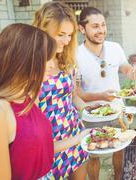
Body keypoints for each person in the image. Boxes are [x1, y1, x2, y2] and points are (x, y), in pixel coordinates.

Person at [76, 7, 136, 180]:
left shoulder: (115, 47)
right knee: (93, 154)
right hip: (91, 114)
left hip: (117, 110)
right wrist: (101, 96)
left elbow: (124, 67)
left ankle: (118, 177)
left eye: (103, 25)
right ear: (82, 29)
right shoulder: (75, 55)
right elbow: (77, 93)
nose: (101, 30)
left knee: (119, 148)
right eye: (95, 26)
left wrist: (132, 71)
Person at [0, 23, 56, 179]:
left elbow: (36, 150)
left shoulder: (28, 97)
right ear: (25, 60)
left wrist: (81, 138)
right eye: (48, 59)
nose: (52, 65)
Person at [33, 2, 90, 179]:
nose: (66, 41)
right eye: (61, 35)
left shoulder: (66, 60)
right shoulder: (32, 66)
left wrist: (93, 111)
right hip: (48, 142)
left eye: (70, 35)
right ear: (42, 30)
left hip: (74, 132)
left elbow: (72, 97)